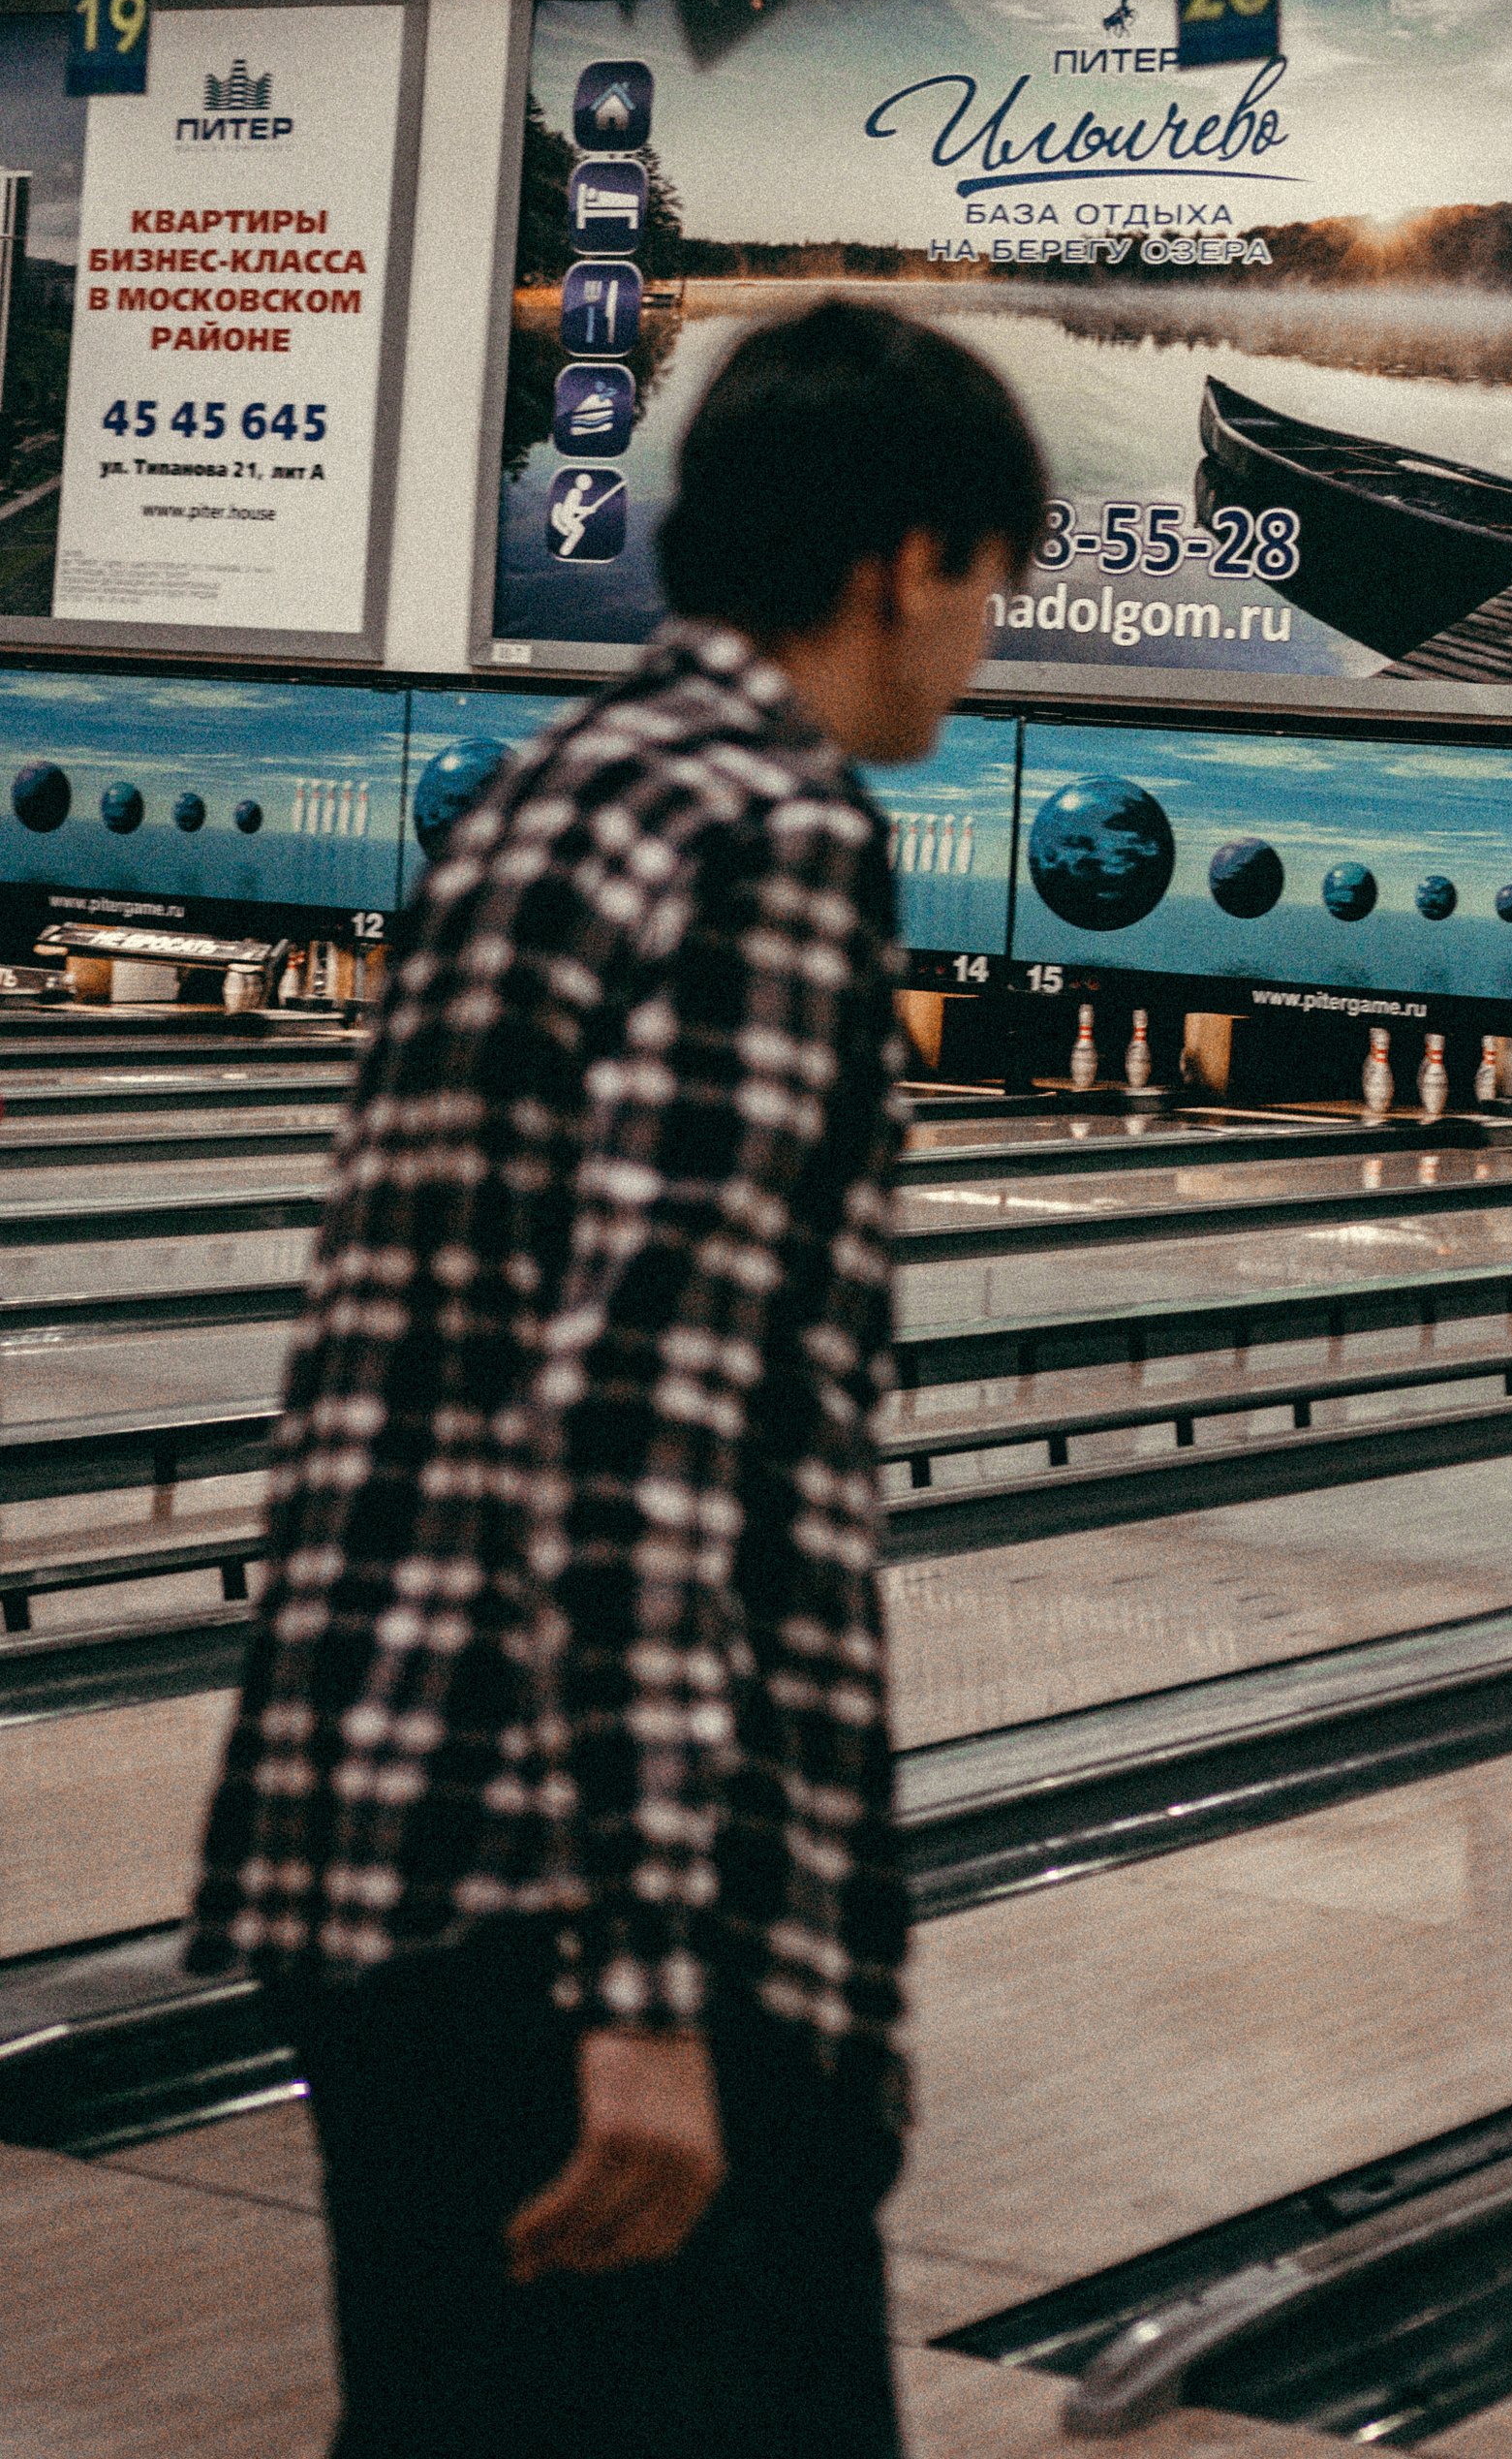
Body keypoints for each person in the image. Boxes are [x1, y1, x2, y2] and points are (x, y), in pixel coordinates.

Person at [190, 299, 1045, 2459]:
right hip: (569, 1917)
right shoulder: (766, 837)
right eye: (993, 578)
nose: (987, 635)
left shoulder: (552, 798)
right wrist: (649, 1987)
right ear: (902, 562)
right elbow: (646, 1433)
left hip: (372, 1862)